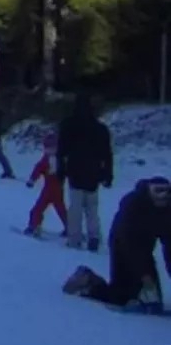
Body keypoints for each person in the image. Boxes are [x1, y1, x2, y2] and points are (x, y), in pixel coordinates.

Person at [62, 176, 171, 312]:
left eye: (167, 191)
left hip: (146, 248)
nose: (163, 196)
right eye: (158, 191)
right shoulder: (133, 205)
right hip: (122, 245)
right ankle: (87, 280)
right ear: (149, 191)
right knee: (120, 297)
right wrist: (144, 275)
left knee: (155, 300)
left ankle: (142, 295)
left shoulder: (168, 209)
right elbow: (130, 245)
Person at [57, 93, 114, 252]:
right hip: (94, 171)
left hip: (75, 170)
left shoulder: (68, 125)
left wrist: (60, 171)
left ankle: (74, 238)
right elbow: (107, 153)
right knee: (92, 208)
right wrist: (108, 173)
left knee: (75, 207)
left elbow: (61, 151)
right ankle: (93, 236)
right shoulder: (100, 129)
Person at [24, 131, 68, 237]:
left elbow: (68, 170)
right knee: (39, 209)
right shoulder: (46, 159)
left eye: (52, 147)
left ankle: (70, 228)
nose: (49, 150)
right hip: (48, 189)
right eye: (47, 147)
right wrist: (32, 180)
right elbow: (38, 169)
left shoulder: (61, 159)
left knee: (60, 210)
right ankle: (34, 225)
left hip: (56, 190)